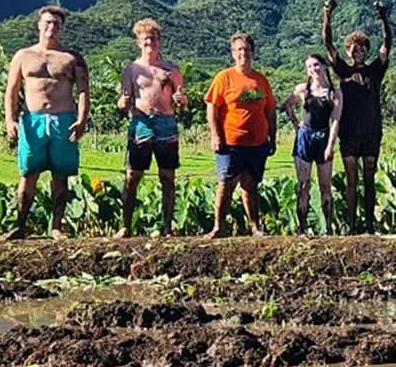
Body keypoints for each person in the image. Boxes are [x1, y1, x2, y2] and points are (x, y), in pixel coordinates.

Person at [2, 6, 90, 240]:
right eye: (48, 23)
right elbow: (11, 89)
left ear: (62, 29)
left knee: (60, 174)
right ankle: (20, 224)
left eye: (56, 24)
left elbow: (83, 91)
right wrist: (9, 119)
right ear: (39, 25)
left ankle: (57, 226)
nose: (51, 28)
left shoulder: (72, 58)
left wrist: (82, 120)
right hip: (33, 120)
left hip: (64, 120)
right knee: (28, 173)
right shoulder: (23, 56)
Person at [322, 0, 392, 234]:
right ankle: (352, 226)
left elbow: (387, 44)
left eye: (362, 48)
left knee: (370, 178)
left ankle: (370, 225)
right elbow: (327, 43)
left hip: (372, 132)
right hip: (349, 133)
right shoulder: (343, 70)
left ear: (366, 50)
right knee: (352, 179)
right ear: (348, 50)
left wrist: (383, 18)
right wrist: (327, 16)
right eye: (353, 48)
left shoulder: (375, 71)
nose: (358, 51)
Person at [116, 18, 187, 239]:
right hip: (141, 123)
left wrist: (181, 99)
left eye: (154, 39)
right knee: (132, 176)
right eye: (146, 39)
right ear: (138, 42)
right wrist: (124, 101)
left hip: (166, 122)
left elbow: (182, 101)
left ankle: (167, 226)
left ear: (160, 42)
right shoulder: (131, 69)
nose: (150, 43)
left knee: (167, 176)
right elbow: (122, 101)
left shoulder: (171, 70)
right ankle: (126, 226)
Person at [204, 32, 276, 238]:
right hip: (230, 141)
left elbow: (270, 110)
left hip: (257, 142)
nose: (243, 53)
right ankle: (218, 227)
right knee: (226, 184)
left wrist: (273, 136)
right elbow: (212, 108)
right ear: (233, 53)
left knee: (251, 185)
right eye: (239, 50)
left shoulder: (261, 80)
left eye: (247, 49)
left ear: (253, 52)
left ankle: (255, 227)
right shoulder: (224, 77)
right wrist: (215, 135)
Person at [285, 54, 343, 235]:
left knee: (325, 185)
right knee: (304, 185)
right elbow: (287, 105)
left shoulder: (335, 92)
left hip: (324, 137)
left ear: (324, 66)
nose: (313, 69)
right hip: (304, 138)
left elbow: (335, 120)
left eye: (316, 65)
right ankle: (302, 229)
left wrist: (330, 145)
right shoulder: (303, 89)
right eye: (309, 66)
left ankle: (328, 228)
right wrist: (296, 124)